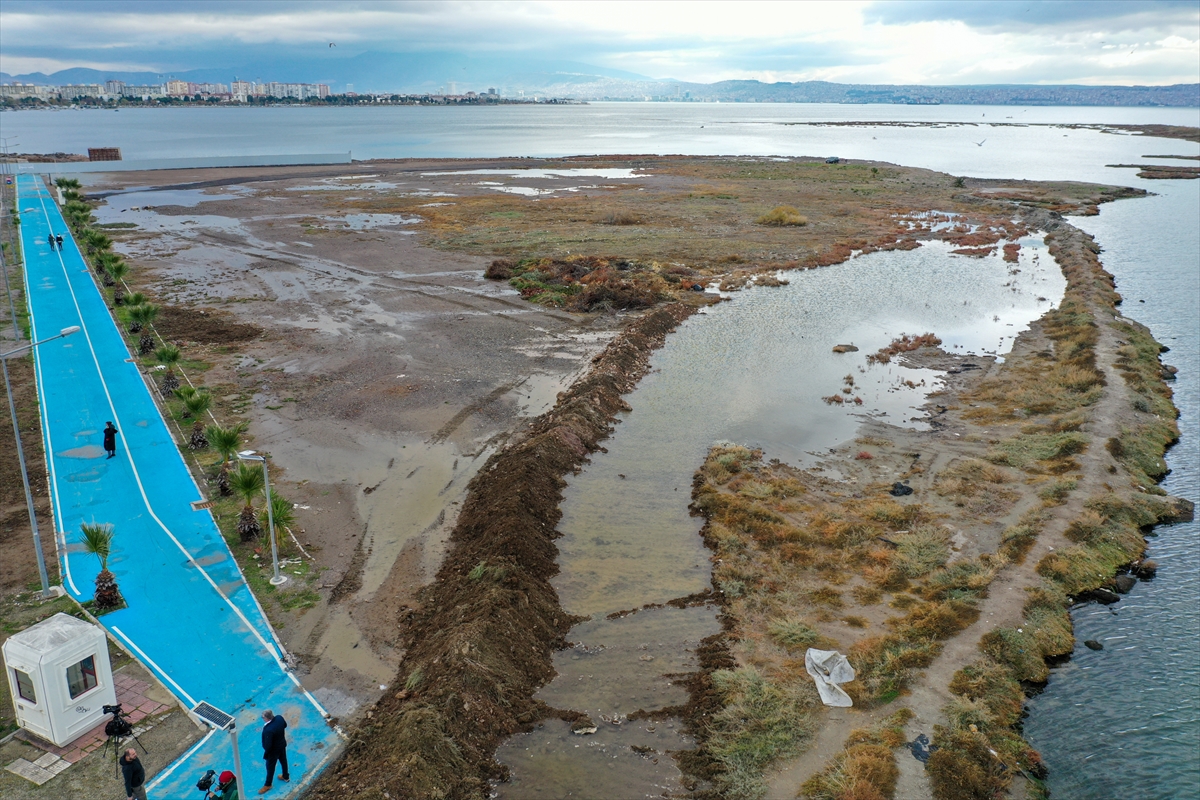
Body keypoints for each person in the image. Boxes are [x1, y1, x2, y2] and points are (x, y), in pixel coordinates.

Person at [259, 709, 290, 794]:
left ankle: (268, 784)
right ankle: (286, 776)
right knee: (283, 761)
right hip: (282, 745)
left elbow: (268, 745)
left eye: (263, 717)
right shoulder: (279, 718)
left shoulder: (268, 730)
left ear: (267, 718)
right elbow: (285, 725)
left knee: (270, 767)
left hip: (273, 751)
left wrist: (267, 750)